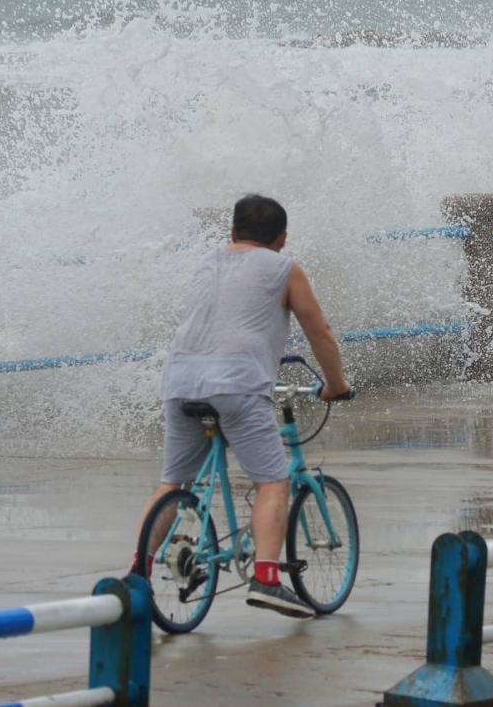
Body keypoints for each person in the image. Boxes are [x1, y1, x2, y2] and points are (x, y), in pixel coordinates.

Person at [137, 194, 352, 618]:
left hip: (180, 380)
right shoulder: (283, 268)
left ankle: (135, 575)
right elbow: (320, 333)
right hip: (236, 383)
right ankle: (268, 580)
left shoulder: (206, 262)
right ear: (282, 239)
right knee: (273, 481)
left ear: (232, 233)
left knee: (172, 484)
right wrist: (336, 384)